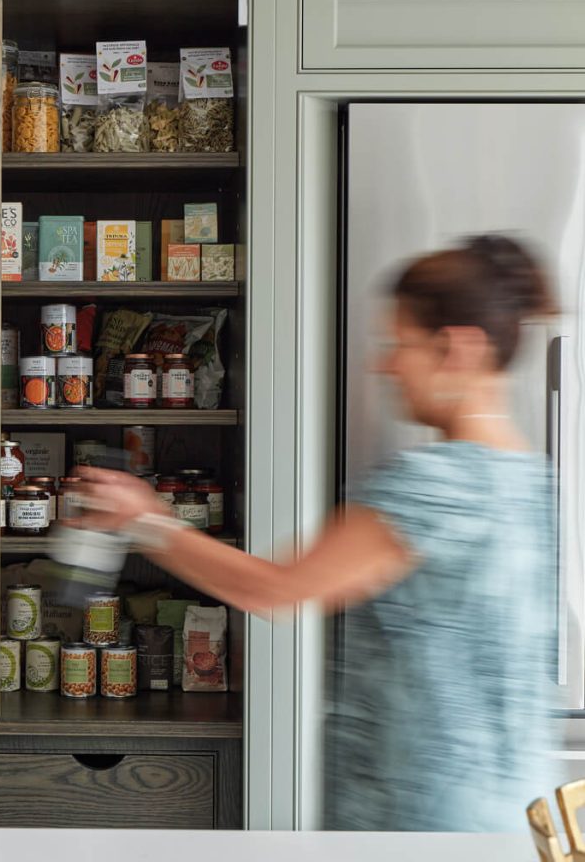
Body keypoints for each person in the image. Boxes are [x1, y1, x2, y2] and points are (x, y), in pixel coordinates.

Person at [78, 233, 559, 832]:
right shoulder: (535, 481)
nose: (383, 363)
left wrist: (144, 519)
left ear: (456, 349)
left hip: (420, 824)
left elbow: (276, 589)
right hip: (515, 816)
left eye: (399, 344)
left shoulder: (436, 487)